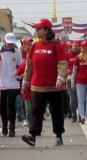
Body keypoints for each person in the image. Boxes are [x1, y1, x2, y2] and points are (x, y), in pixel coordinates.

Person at [21, 19, 70, 148]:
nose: (36, 31)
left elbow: (62, 63)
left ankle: (58, 135)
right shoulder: (34, 46)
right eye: (36, 29)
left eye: (39, 29)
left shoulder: (56, 45)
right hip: (38, 84)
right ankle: (33, 135)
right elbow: (29, 65)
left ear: (46, 30)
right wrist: (26, 81)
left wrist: (61, 78)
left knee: (56, 111)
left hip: (54, 86)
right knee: (36, 110)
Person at [0, 33, 23, 138]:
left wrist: (20, 75)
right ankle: (4, 124)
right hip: (1, 82)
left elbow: (20, 66)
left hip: (13, 82)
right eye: (9, 42)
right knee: (2, 106)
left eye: (12, 43)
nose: (10, 45)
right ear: (5, 41)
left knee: (11, 105)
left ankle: (12, 127)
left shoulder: (17, 53)